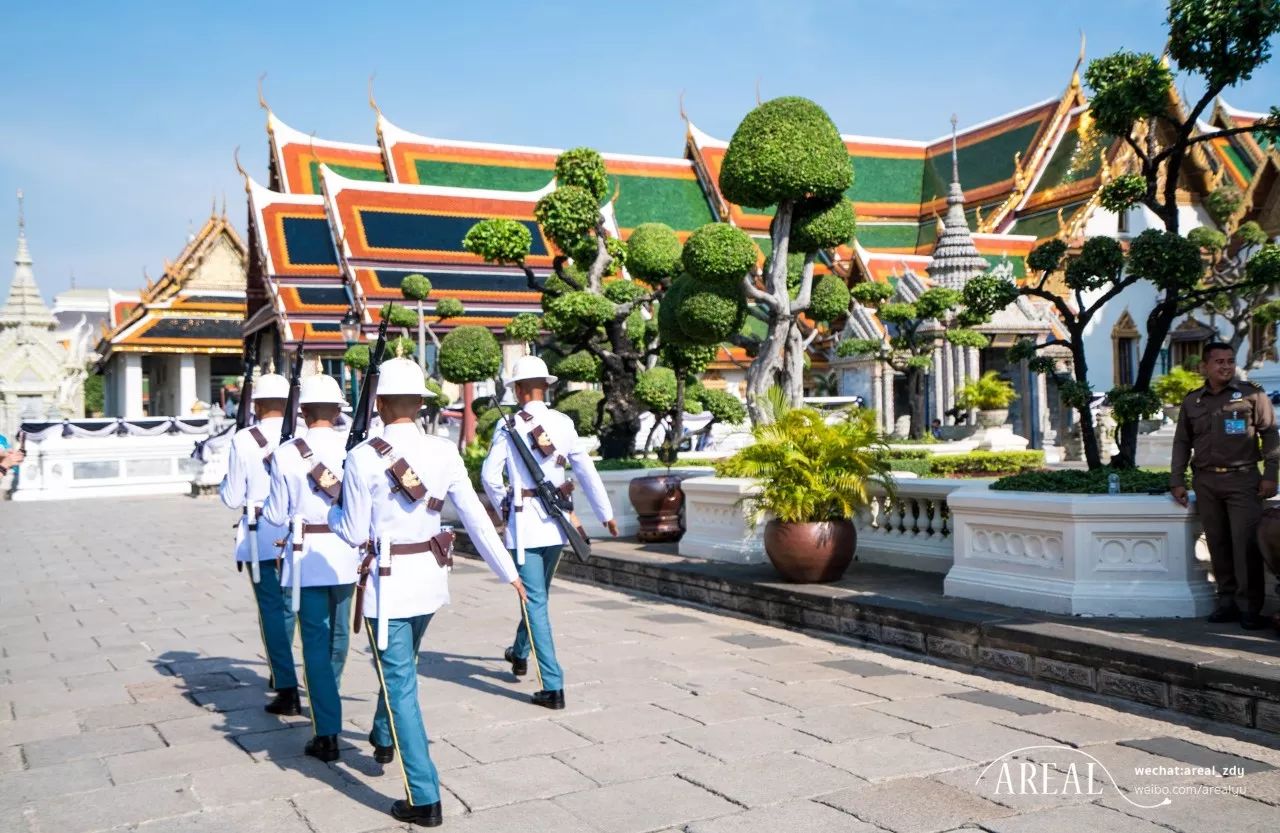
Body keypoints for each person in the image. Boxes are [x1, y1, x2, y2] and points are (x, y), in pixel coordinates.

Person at [328, 357, 526, 827]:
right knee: (402, 666)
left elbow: (352, 531)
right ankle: (383, 735)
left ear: (378, 404)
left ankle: (424, 796)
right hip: (431, 580)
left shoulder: (361, 457)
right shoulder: (443, 451)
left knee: (400, 683)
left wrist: (334, 512)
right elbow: (476, 517)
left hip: (388, 586)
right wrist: (508, 572)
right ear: (420, 404)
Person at [481, 355, 618, 711]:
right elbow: (585, 470)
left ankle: (553, 685)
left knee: (534, 600)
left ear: (519, 390)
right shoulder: (563, 423)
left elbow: (489, 477)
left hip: (526, 526)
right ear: (545, 386)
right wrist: (605, 513)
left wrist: (506, 506)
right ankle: (519, 652)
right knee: (537, 597)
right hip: (557, 524)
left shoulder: (509, 425)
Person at [263, 374, 357, 762]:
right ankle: (327, 700)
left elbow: (274, 515)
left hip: (305, 557)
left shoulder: (287, 453)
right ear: (338, 411)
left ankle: (326, 727)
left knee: (315, 642)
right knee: (339, 637)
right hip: (346, 553)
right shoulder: (356, 447)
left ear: (302, 412)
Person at [1170, 342, 1279, 629]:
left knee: (1245, 546)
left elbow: (1270, 434)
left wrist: (1271, 474)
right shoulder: (1193, 401)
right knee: (1217, 545)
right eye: (1219, 362)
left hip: (1243, 480)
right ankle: (1226, 602)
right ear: (1204, 366)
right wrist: (1177, 480)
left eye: (1230, 361)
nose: (1226, 366)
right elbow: (1182, 442)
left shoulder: (1252, 394)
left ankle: (1250, 608)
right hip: (1206, 481)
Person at [219, 372, 301, 715]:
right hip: (298, 535)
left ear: (257, 405)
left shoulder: (244, 439)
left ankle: (285, 683)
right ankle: (289, 670)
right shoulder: (302, 435)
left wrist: (226, 481)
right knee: (291, 608)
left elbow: (232, 496)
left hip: (261, 534)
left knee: (271, 611)